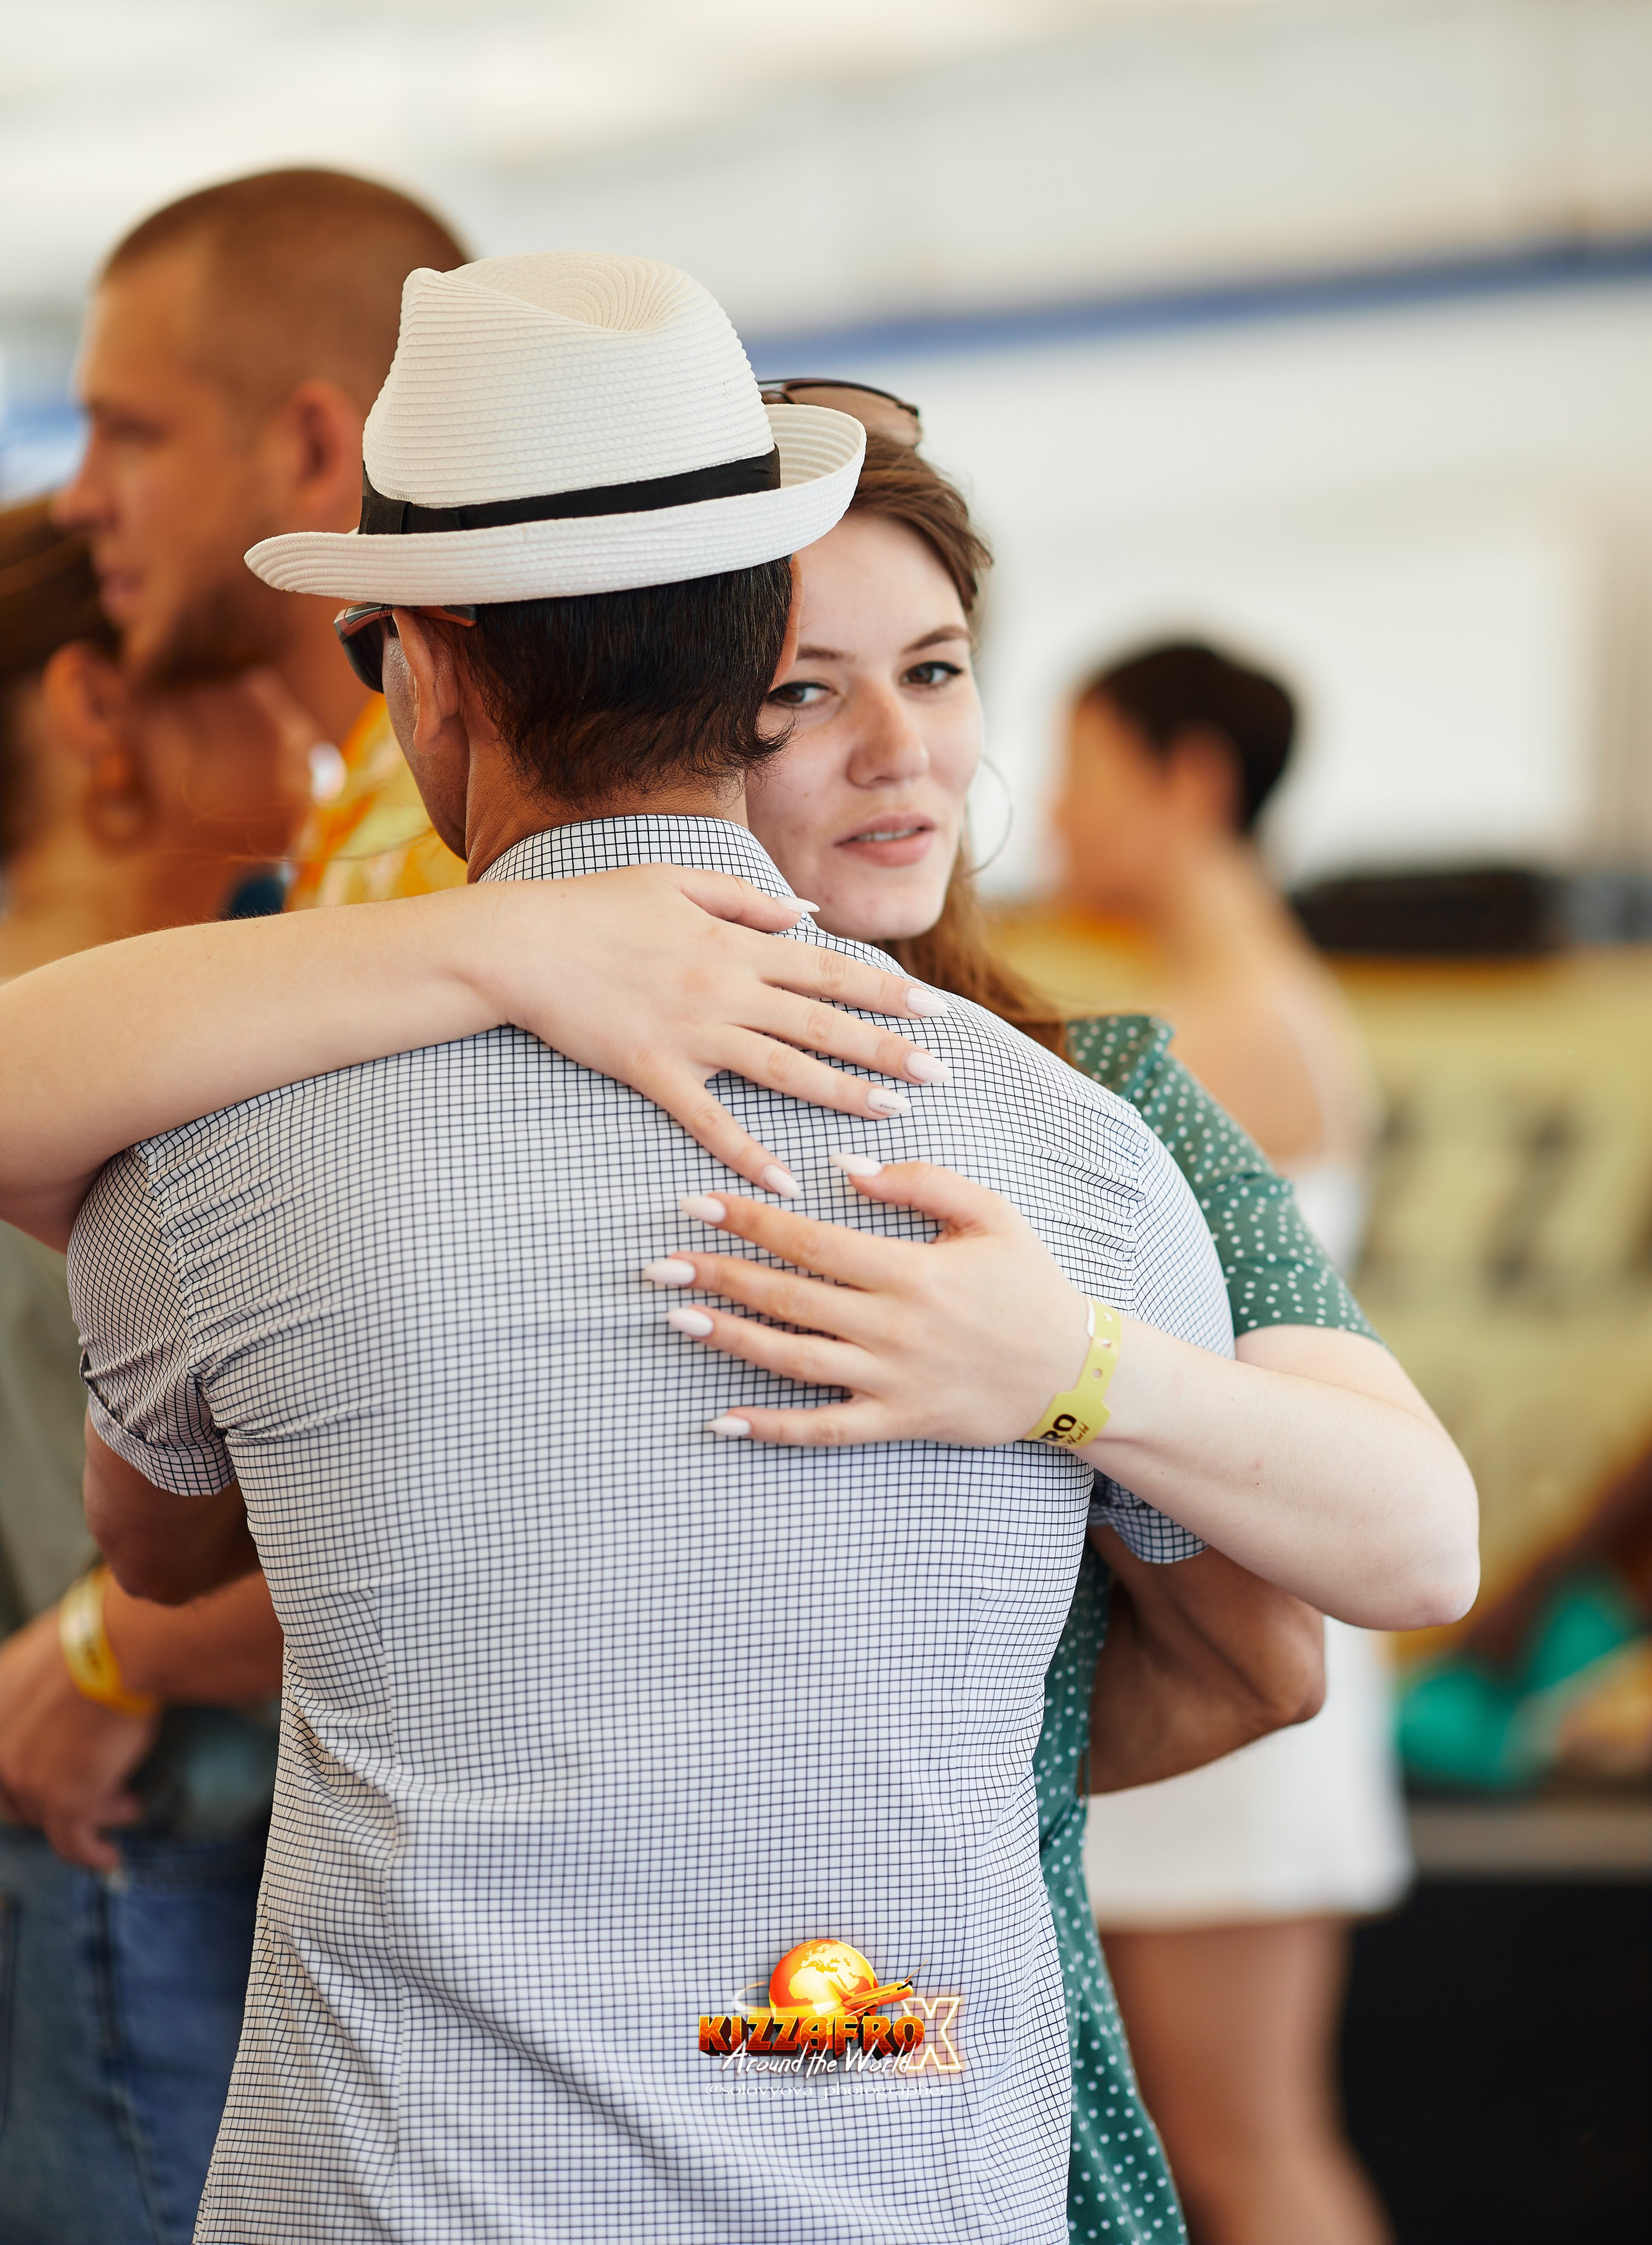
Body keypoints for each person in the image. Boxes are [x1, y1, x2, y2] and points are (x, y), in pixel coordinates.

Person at [0, 392, 1476, 2237]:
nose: (894, 757)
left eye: (937, 673)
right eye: (804, 692)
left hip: (888, 2038)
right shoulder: (1067, 1141)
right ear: (692, 698)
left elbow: (1322, 1618)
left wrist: (1066, 1379)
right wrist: (503, 941)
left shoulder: (1103, 1123)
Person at [1044, 643, 1406, 2245]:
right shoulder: (1231, 1006)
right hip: (1183, 1597)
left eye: (1085, 769)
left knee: (1244, 2148)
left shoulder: (1230, 1030)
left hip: (1246, 1615)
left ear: (1189, 778)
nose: (1051, 812)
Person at [0, 499, 309, 2244]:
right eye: (257, 675)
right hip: (154, 1855)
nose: (328, 720)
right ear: (99, 721)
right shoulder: (117, 1067)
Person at [52, 165, 473, 909]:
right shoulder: (395, 821)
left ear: (310, 453)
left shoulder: (450, 853)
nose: (77, 502)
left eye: (130, 435)